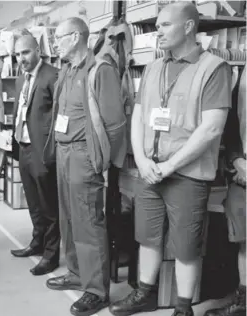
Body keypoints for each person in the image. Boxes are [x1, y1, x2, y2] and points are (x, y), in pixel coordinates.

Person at [108, 3, 232, 316]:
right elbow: (137, 115)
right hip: (150, 170)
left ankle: (182, 307)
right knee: (147, 237)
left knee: (186, 246)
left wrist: (168, 166)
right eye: (157, 25)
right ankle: (145, 294)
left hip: (187, 175)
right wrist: (141, 158)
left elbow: (212, 127)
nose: (157, 31)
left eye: (164, 25)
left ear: (189, 26)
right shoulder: (152, 68)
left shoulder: (214, 68)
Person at [44, 17, 127, 316]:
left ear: (77, 36)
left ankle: (95, 290)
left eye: (59, 37)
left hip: (84, 155)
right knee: (68, 218)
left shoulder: (100, 70)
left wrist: (104, 163)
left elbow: (116, 124)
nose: (55, 43)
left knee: (89, 223)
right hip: (63, 153)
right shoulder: (66, 71)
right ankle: (77, 272)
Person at [10, 35, 60, 276]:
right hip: (24, 147)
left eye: (26, 53)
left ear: (38, 51)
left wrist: (52, 150)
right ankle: (37, 242)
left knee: (48, 203)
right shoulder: (22, 79)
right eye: (18, 54)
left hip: (43, 150)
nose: (22, 59)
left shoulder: (53, 75)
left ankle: (51, 254)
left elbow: (60, 116)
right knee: (33, 201)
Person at [204, 68, 246, 316]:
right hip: (242, 172)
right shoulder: (242, 75)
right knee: (244, 240)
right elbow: (231, 127)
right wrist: (237, 160)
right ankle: (243, 301)